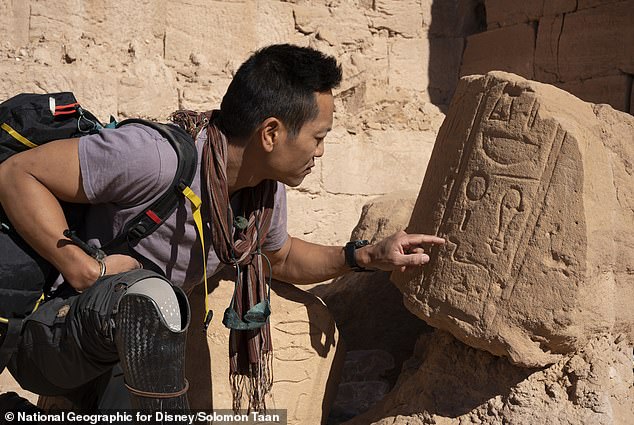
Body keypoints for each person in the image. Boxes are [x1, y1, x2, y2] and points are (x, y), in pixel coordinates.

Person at [0, 44, 444, 412]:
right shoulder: (155, 157)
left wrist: (364, 257)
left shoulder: (260, 193)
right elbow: (16, 174)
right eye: (318, 137)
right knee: (151, 299)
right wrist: (82, 268)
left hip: (124, 363)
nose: (320, 153)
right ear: (271, 133)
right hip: (52, 334)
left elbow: (282, 256)